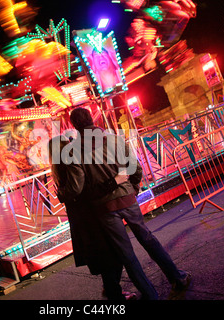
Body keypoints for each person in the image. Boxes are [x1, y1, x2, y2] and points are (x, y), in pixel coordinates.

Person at [65, 107, 192, 300]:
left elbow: (77, 187)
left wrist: (64, 192)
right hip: (127, 198)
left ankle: (151, 295)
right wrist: (132, 187)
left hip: (104, 208)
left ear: (74, 126)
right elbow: (135, 167)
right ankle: (177, 277)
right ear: (92, 119)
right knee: (147, 238)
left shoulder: (74, 151)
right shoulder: (115, 139)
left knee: (127, 254)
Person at [48, 135, 134, 300]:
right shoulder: (71, 167)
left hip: (84, 220)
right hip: (90, 219)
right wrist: (113, 182)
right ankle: (114, 294)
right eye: (68, 144)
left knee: (107, 256)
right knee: (111, 256)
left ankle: (111, 290)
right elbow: (83, 192)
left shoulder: (62, 170)